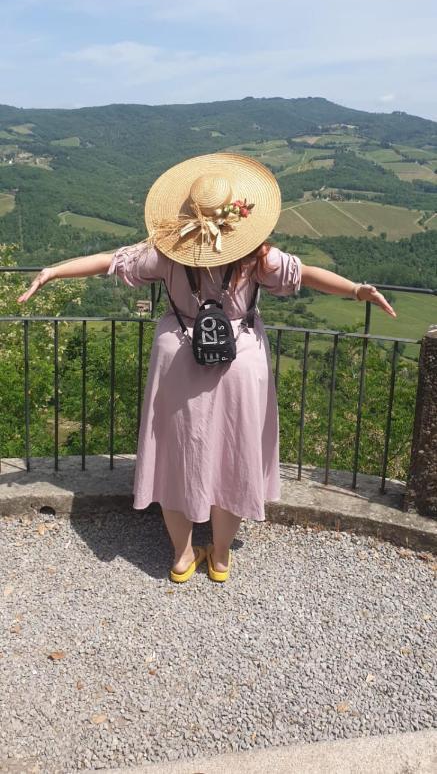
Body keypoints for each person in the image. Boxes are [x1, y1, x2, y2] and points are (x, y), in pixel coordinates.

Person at [18, 153, 396, 584]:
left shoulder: (166, 256)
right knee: (233, 455)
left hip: (178, 356)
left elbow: (109, 261)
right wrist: (358, 290)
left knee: (176, 455)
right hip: (240, 362)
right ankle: (219, 558)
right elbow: (306, 275)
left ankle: (181, 558)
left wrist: (52, 271)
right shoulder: (260, 260)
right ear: (240, 217)